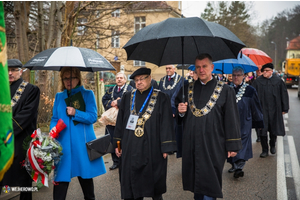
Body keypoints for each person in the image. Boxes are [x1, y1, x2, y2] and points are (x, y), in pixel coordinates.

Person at [176, 53, 242, 200]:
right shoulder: (186, 89)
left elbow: (232, 119)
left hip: (213, 144)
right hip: (192, 144)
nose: (201, 70)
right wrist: (180, 111)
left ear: (212, 67)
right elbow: (179, 116)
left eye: (204, 66)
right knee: (195, 184)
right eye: (198, 67)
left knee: (210, 185)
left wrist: (232, 145)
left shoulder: (226, 90)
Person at [113, 67, 177, 200]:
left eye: (142, 79)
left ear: (150, 78)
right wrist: (118, 144)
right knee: (132, 182)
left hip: (152, 146)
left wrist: (166, 147)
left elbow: (166, 123)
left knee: (154, 182)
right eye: (136, 80)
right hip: (130, 146)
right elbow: (120, 122)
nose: (139, 82)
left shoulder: (161, 97)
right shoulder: (127, 97)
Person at [50, 67, 106, 200]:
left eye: (72, 78)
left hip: (81, 145)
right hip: (63, 146)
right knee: (59, 186)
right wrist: (53, 129)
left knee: (87, 185)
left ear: (78, 79)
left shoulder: (87, 94)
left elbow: (93, 117)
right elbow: (54, 118)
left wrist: (76, 113)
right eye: (65, 78)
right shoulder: (59, 96)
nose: (69, 81)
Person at [0, 59, 40, 200]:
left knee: (23, 181)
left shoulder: (31, 90)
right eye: (7, 70)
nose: (10, 73)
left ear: (21, 71)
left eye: (14, 70)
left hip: (20, 141)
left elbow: (25, 116)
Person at [227, 67, 264, 178]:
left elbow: (256, 107)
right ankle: (233, 164)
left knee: (242, 142)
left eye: (238, 75)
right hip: (230, 122)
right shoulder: (227, 89)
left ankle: (239, 167)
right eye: (234, 75)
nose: (236, 77)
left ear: (244, 76)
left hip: (244, 121)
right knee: (230, 141)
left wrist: (259, 122)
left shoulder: (250, 90)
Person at [252, 63, 289, 158]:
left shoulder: (278, 81)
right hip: (262, 110)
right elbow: (253, 96)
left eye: (266, 71)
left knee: (274, 129)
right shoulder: (258, 82)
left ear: (271, 71)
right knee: (262, 131)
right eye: (263, 71)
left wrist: (285, 108)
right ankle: (264, 149)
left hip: (275, 109)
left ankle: (272, 144)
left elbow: (283, 94)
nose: (264, 72)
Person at [102, 72, 133, 170]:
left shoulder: (130, 89)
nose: (119, 79)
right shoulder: (111, 90)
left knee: (124, 139)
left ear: (125, 79)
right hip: (111, 121)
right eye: (117, 78)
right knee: (112, 140)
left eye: (121, 78)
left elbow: (133, 100)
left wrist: (119, 103)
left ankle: (125, 160)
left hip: (124, 120)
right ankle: (115, 161)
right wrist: (111, 103)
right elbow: (104, 99)